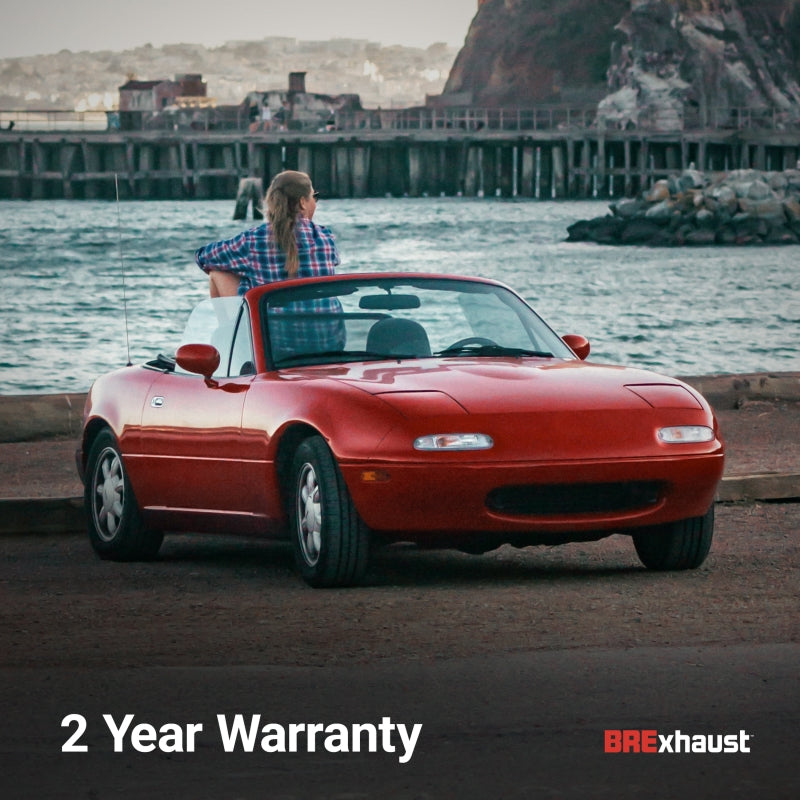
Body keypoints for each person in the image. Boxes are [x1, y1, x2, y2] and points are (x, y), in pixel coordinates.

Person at [195, 169, 343, 357]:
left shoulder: (253, 240)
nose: (315, 202)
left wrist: (245, 272)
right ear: (303, 202)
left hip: (270, 346)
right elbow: (334, 262)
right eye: (314, 197)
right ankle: (233, 337)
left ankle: (231, 340)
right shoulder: (325, 237)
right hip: (328, 343)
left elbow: (202, 257)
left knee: (219, 272)